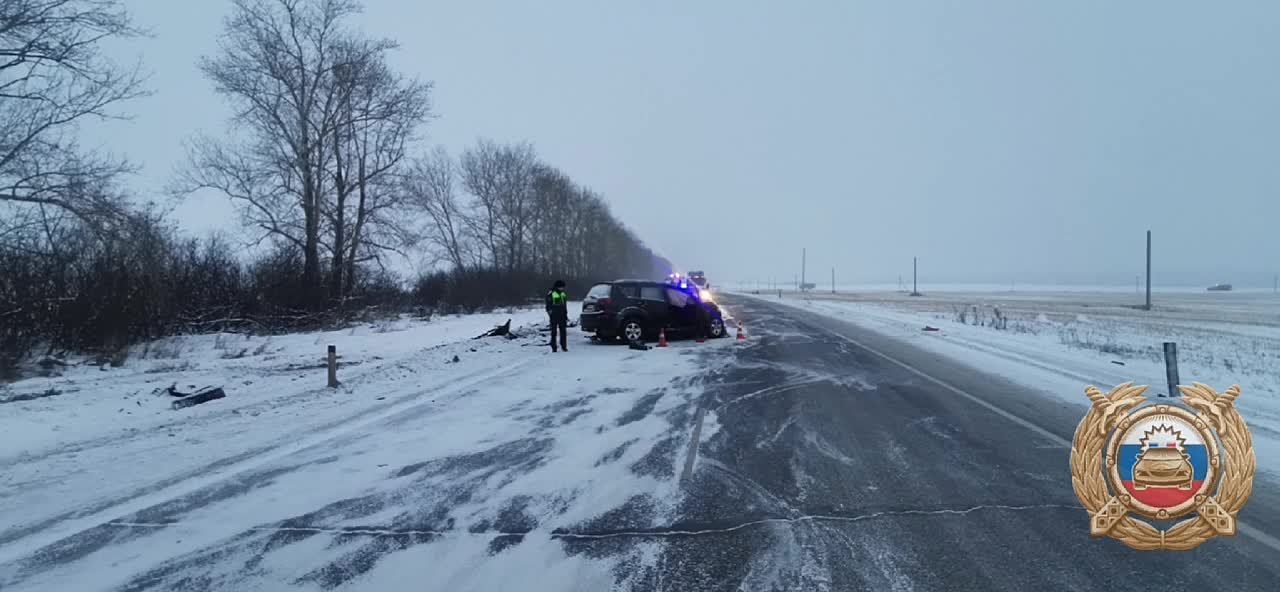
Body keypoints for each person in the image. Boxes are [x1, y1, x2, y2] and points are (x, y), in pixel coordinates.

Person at [545, 279, 569, 352]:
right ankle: (554, 347)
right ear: (558, 286)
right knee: (554, 332)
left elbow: (564, 305)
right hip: (554, 315)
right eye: (562, 287)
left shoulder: (563, 294)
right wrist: (550, 313)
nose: (563, 288)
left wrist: (565, 314)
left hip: (562, 315)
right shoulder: (551, 293)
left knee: (563, 331)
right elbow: (548, 305)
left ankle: (564, 346)